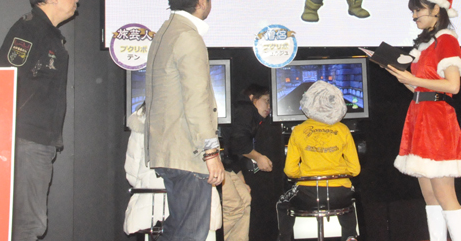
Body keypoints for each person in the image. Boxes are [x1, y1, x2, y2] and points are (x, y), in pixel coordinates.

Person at [0, 0, 78, 241]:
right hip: (27, 140)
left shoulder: (48, 33)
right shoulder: (29, 29)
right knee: (28, 224)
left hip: (36, 141)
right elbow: (5, 78)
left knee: (27, 222)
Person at [386, 0, 461, 241]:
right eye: (412, 11)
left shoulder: (446, 39)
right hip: (420, 115)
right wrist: (402, 77)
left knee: (444, 194)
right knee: (430, 195)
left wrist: (412, 79)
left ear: (437, 9)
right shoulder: (425, 44)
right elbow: (420, 87)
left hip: (436, 119)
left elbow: (453, 86)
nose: (414, 16)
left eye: (418, 10)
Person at [144, 0, 225, 241]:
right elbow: (196, 99)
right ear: (202, 0)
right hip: (188, 153)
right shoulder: (188, 37)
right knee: (190, 235)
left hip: (167, 151)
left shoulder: (165, 32)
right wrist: (211, 153)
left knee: (177, 231)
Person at [276, 81, 361, 241]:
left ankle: (284, 238)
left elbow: (290, 171)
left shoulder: (298, 130)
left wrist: (306, 175)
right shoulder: (343, 130)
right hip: (339, 194)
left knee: (282, 203)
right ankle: (350, 236)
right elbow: (355, 170)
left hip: (307, 194)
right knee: (348, 204)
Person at [124, 104, 222, 241]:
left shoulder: (141, 120)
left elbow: (132, 171)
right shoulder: (199, 119)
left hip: (152, 204)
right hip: (197, 200)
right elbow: (213, 170)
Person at [220, 84, 273, 241]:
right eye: (266, 100)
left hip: (227, 166)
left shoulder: (241, 111)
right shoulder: (245, 109)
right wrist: (258, 157)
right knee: (235, 206)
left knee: (244, 199)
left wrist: (239, 176)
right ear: (252, 98)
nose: (269, 106)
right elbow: (238, 143)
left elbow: (232, 149)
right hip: (217, 165)